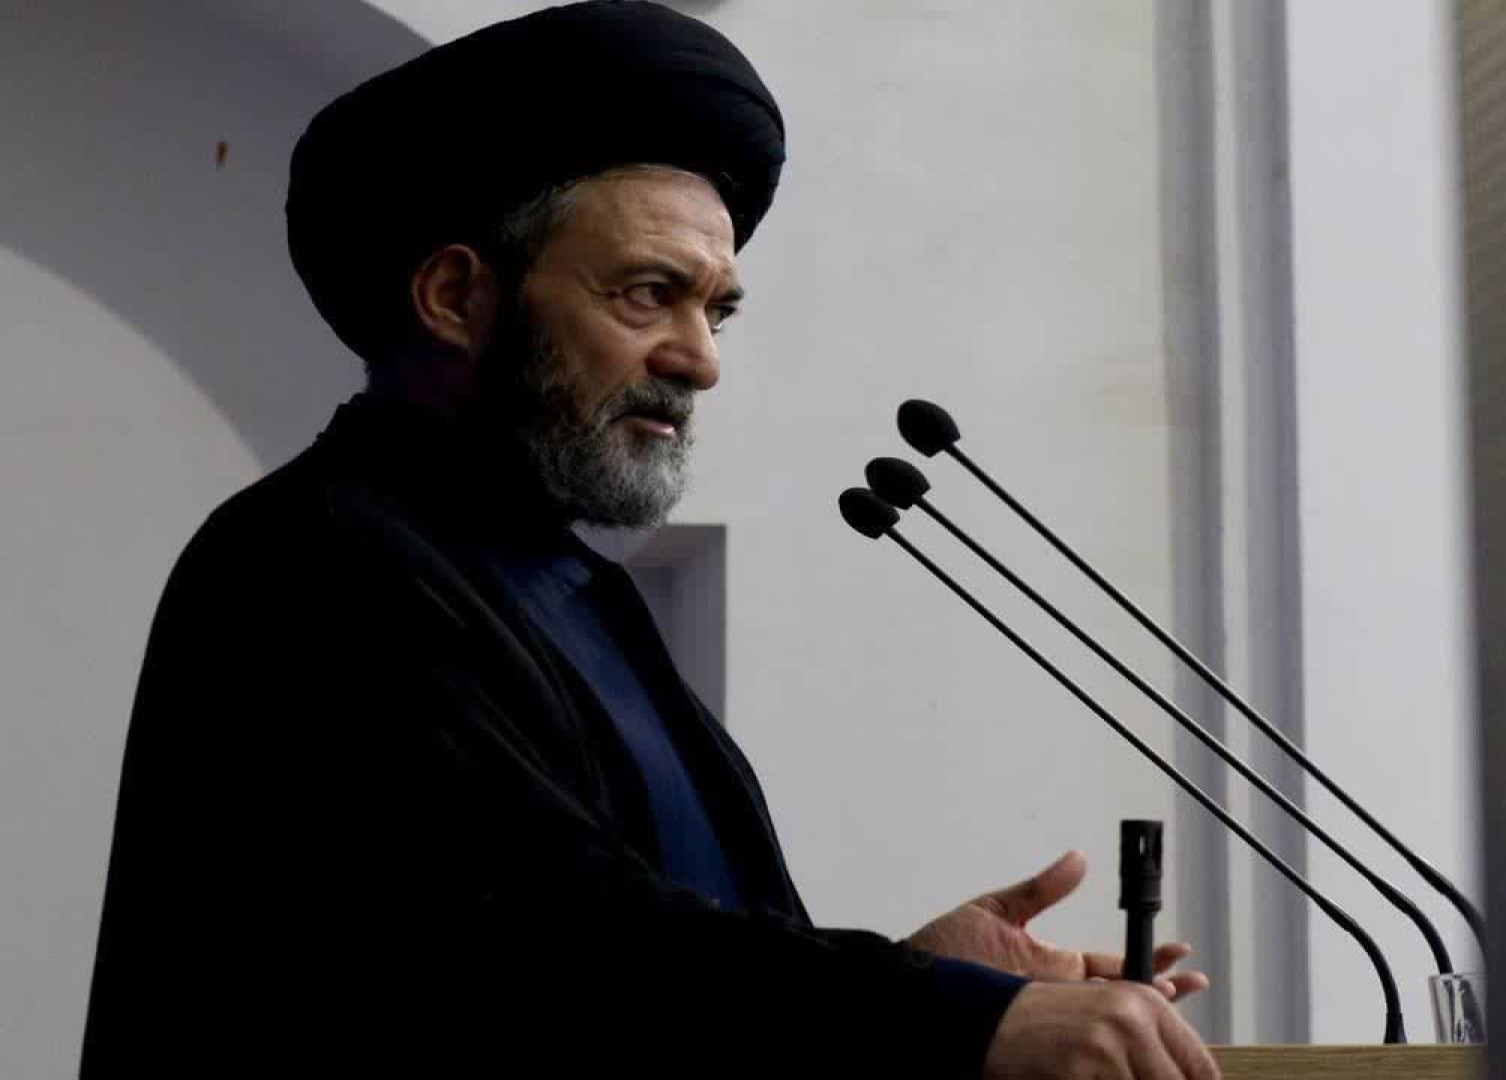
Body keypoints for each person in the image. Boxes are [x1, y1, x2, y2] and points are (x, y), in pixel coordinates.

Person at [79, 4, 1218, 1077]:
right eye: (646, 294)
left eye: (714, 309)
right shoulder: (312, 565)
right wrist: (951, 1017)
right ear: (455, 296)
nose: (699, 359)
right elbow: (552, 946)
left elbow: (663, 976)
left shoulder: (575, 592)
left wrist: (925, 974)